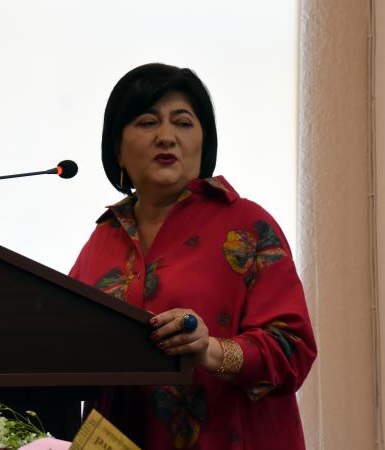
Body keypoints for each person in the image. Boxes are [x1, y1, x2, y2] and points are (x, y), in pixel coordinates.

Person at [69, 63, 317, 449]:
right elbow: (65, 342)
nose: (166, 137)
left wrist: (209, 350)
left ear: (204, 142)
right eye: (147, 122)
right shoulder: (103, 238)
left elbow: (292, 350)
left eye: (183, 123)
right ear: (117, 147)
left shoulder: (246, 225)